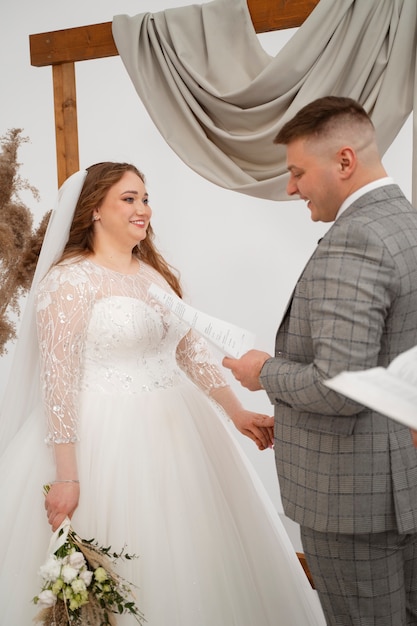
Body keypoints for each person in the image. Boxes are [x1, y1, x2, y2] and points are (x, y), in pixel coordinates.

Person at [0, 161, 325, 625]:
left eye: (145, 198)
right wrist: (66, 477)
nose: (142, 209)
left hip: (181, 431)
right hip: (103, 437)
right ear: (94, 210)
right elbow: (58, 379)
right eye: (128, 199)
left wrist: (237, 413)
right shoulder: (69, 281)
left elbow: (190, 351)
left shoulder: (154, 275)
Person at [223, 96, 417, 626]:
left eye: (297, 172)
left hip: (352, 502)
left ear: (345, 162)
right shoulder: (404, 221)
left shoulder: (355, 238)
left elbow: (341, 385)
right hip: (398, 478)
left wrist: (261, 371)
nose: (291, 188)